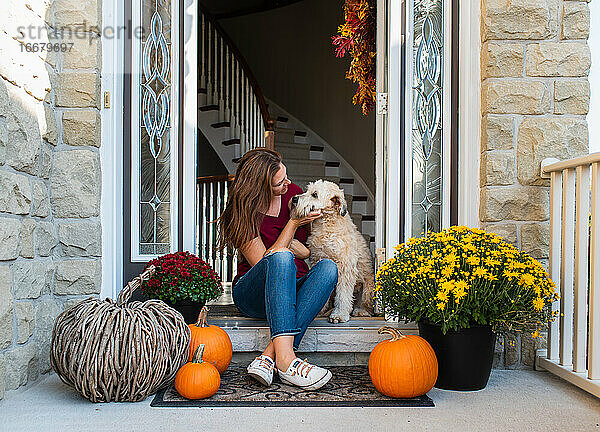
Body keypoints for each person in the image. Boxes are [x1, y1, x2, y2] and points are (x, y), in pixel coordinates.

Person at [216, 148, 338, 390]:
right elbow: (266, 262)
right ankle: (287, 362)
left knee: (328, 269)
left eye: (286, 176)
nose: (289, 184)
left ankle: (268, 356)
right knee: (281, 258)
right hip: (254, 294)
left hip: (291, 288)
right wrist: (292, 224)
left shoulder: (293, 194)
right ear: (260, 186)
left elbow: (307, 251)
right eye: (280, 183)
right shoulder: (242, 212)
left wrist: (291, 247)